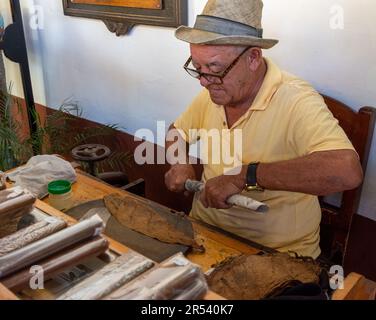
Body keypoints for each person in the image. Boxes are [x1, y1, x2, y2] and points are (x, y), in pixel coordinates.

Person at [164, 0, 363, 258]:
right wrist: (179, 163)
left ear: (253, 57)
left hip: (274, 253)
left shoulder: (296, 99)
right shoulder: (216, 92)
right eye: (198, 68)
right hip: (204, 234)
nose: (203, 81)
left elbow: (346, 170)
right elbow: (176, 132)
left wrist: (244, 176)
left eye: (214, 68)